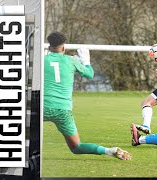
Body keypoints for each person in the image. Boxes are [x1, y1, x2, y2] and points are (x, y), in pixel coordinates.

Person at [44, 32, 131, 160]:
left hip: (42, 107)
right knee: (77, 147)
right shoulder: (71, 60)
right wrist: (86, 62)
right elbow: (89, 74)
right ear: (63, 47)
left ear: (49, 46)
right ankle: (108, 150)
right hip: (63, 110)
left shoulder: (42, 60)